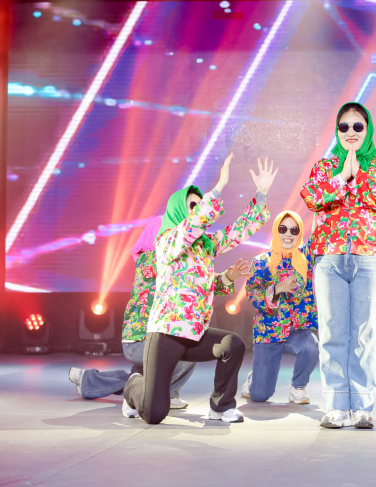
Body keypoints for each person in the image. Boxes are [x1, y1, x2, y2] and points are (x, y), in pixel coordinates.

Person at [122, 153, 277, 424]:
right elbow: (191, 227)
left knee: (233, 344)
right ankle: (133, 385)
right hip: (166, 334)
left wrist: (261, 194)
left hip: (194, 333)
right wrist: (218, 189)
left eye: (199, 205)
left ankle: (221, 406)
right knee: (154, 413)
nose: (197, 210)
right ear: (178, 211)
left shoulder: (205, 246)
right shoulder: (166, 242)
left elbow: (238, 231)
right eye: (192, 206)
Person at [68, 216, 248, 406]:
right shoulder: (150, 260)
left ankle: (89, 380)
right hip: (141, 339)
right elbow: (190, 277)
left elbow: (197, 282)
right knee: (180, 353)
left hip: (161, 335)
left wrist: (227, 277)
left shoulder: (176, 260)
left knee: (158, 366)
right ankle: (165, 394)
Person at [300, 102, 376, 429]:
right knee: (332, 333)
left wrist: (359, 176)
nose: (351, 132)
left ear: (367, 130)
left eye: (358, 126)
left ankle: (362, 407)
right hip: (329, 259)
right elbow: (312, 197)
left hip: (368, 259)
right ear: (337, 131)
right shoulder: (325, 167)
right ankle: (336, 406)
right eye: (344, 127)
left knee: (366, 335)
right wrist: (342, 176)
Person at [241, 211, 319, 404]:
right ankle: (254, 378)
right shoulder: (261, 262)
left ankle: (298, 388)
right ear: (276, 230)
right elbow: (252, 293)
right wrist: (276, 289)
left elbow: (320, 232)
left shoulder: (306, 257)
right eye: (283, 229)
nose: (288, 234)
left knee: (311, 346)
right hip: (269, 330)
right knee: (259, 395)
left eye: (294, 230)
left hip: (297, 329)